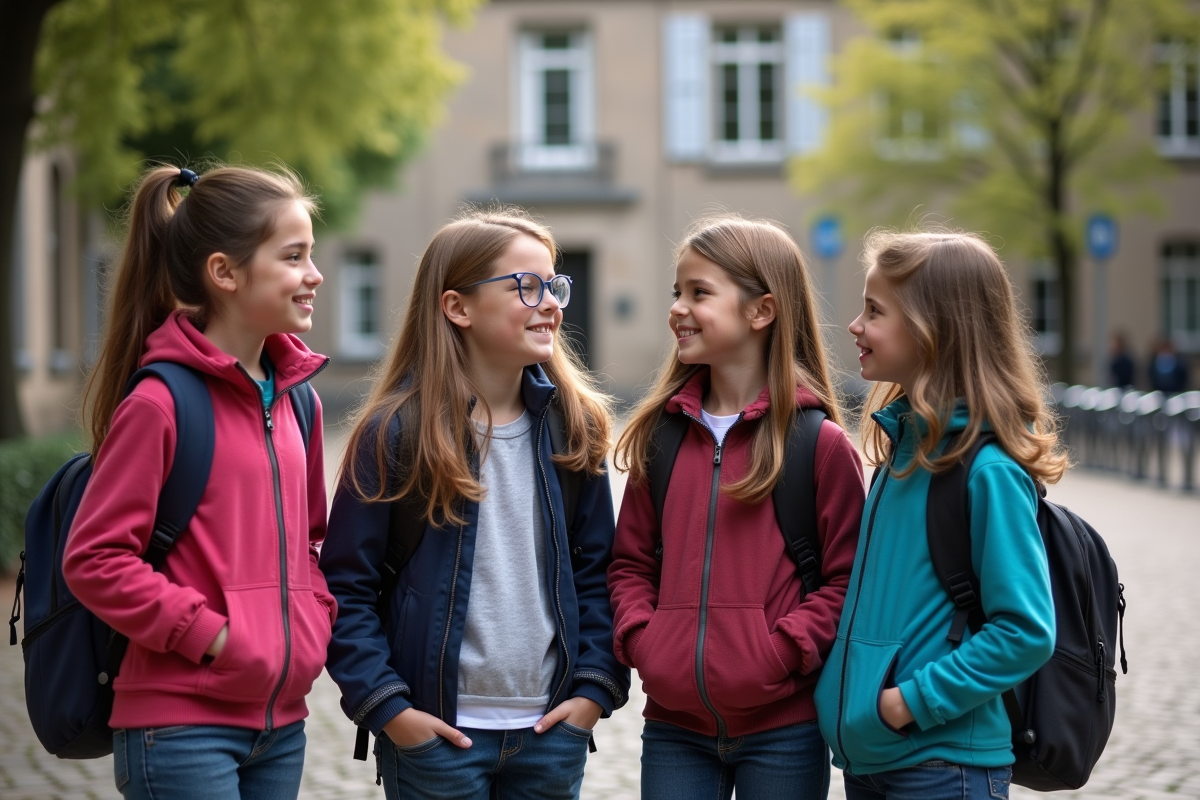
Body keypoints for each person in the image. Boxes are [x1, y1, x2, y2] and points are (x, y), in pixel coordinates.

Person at [319, 208, 629, 800]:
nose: (551, 303)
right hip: (437, 739)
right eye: (527, 286)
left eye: (554, 285)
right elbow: (345, 587)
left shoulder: (575, 426)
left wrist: (593, 691)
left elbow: (600, 573)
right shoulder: (394, 434)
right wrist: (389, 709)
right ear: (457, 307)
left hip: (549, 734)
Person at [63, 164, 332, 800]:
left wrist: (312, 626)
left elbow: (313, 542)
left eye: (311, 255)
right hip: (179, 726)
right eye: (293, 257)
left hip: (280, 725)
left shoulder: (300, 404)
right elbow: (95, 559)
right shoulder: (161, 402)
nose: (314, 275)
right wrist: (216, 638)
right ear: (225, 273)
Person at [608, 215, 865, 800]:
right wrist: (648, 642)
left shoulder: (817, 445)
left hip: (785, 730)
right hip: (674, 730)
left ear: (761, 311)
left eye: (699, 292)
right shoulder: (662, 436)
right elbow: (629, 564)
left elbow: (848, 579)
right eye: (677, 291)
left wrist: (783, 651)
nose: (678, 307)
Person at [815, 230, 1064, 800]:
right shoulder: (903, 450)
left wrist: (908, 703)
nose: (855, 325)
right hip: (875, 759)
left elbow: (1026, 630)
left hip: (942, 766)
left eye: (874, 311)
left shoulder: (986, 470)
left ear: (935, 329)